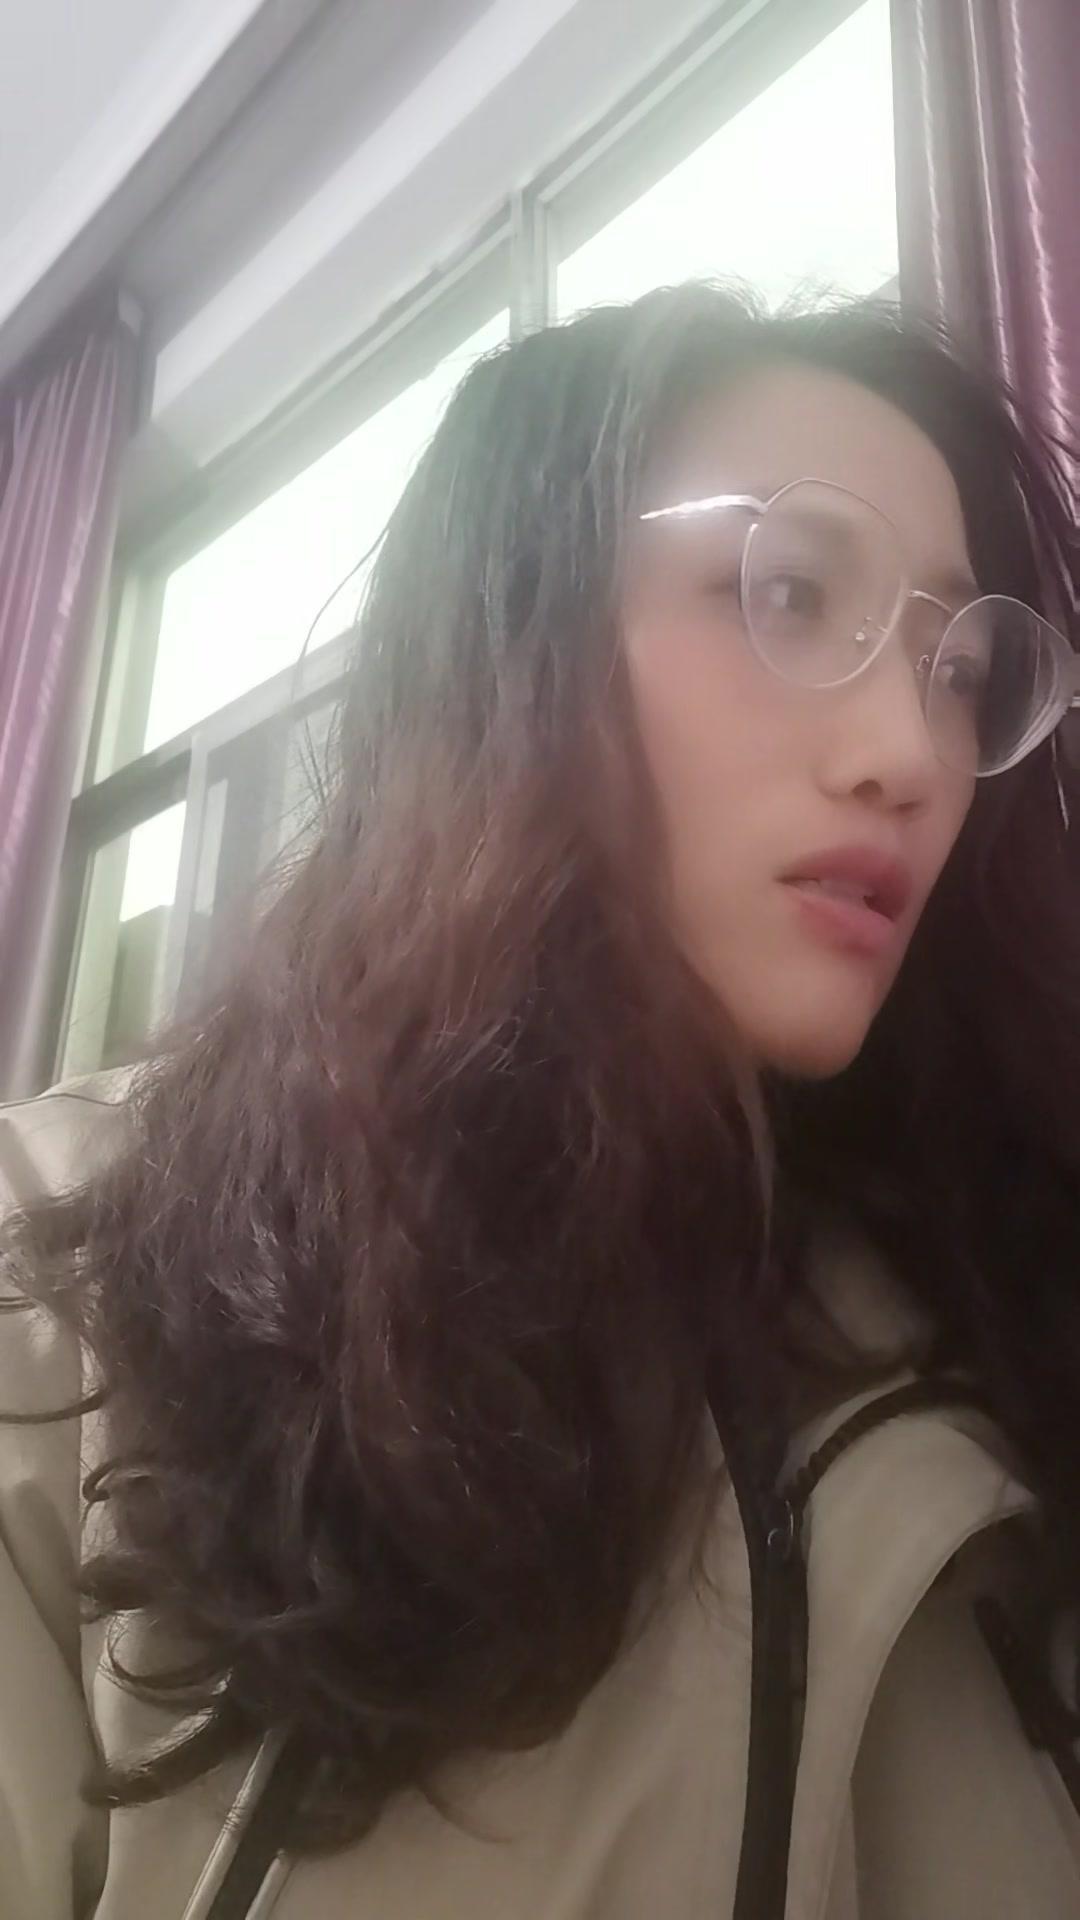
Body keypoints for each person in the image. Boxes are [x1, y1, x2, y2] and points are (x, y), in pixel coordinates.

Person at [2, 282, 1079, 1920]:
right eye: (792, 595)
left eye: (957, 667)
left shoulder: (997, 1307)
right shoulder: (70, 1274)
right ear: (512, 640)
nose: (910, 754)